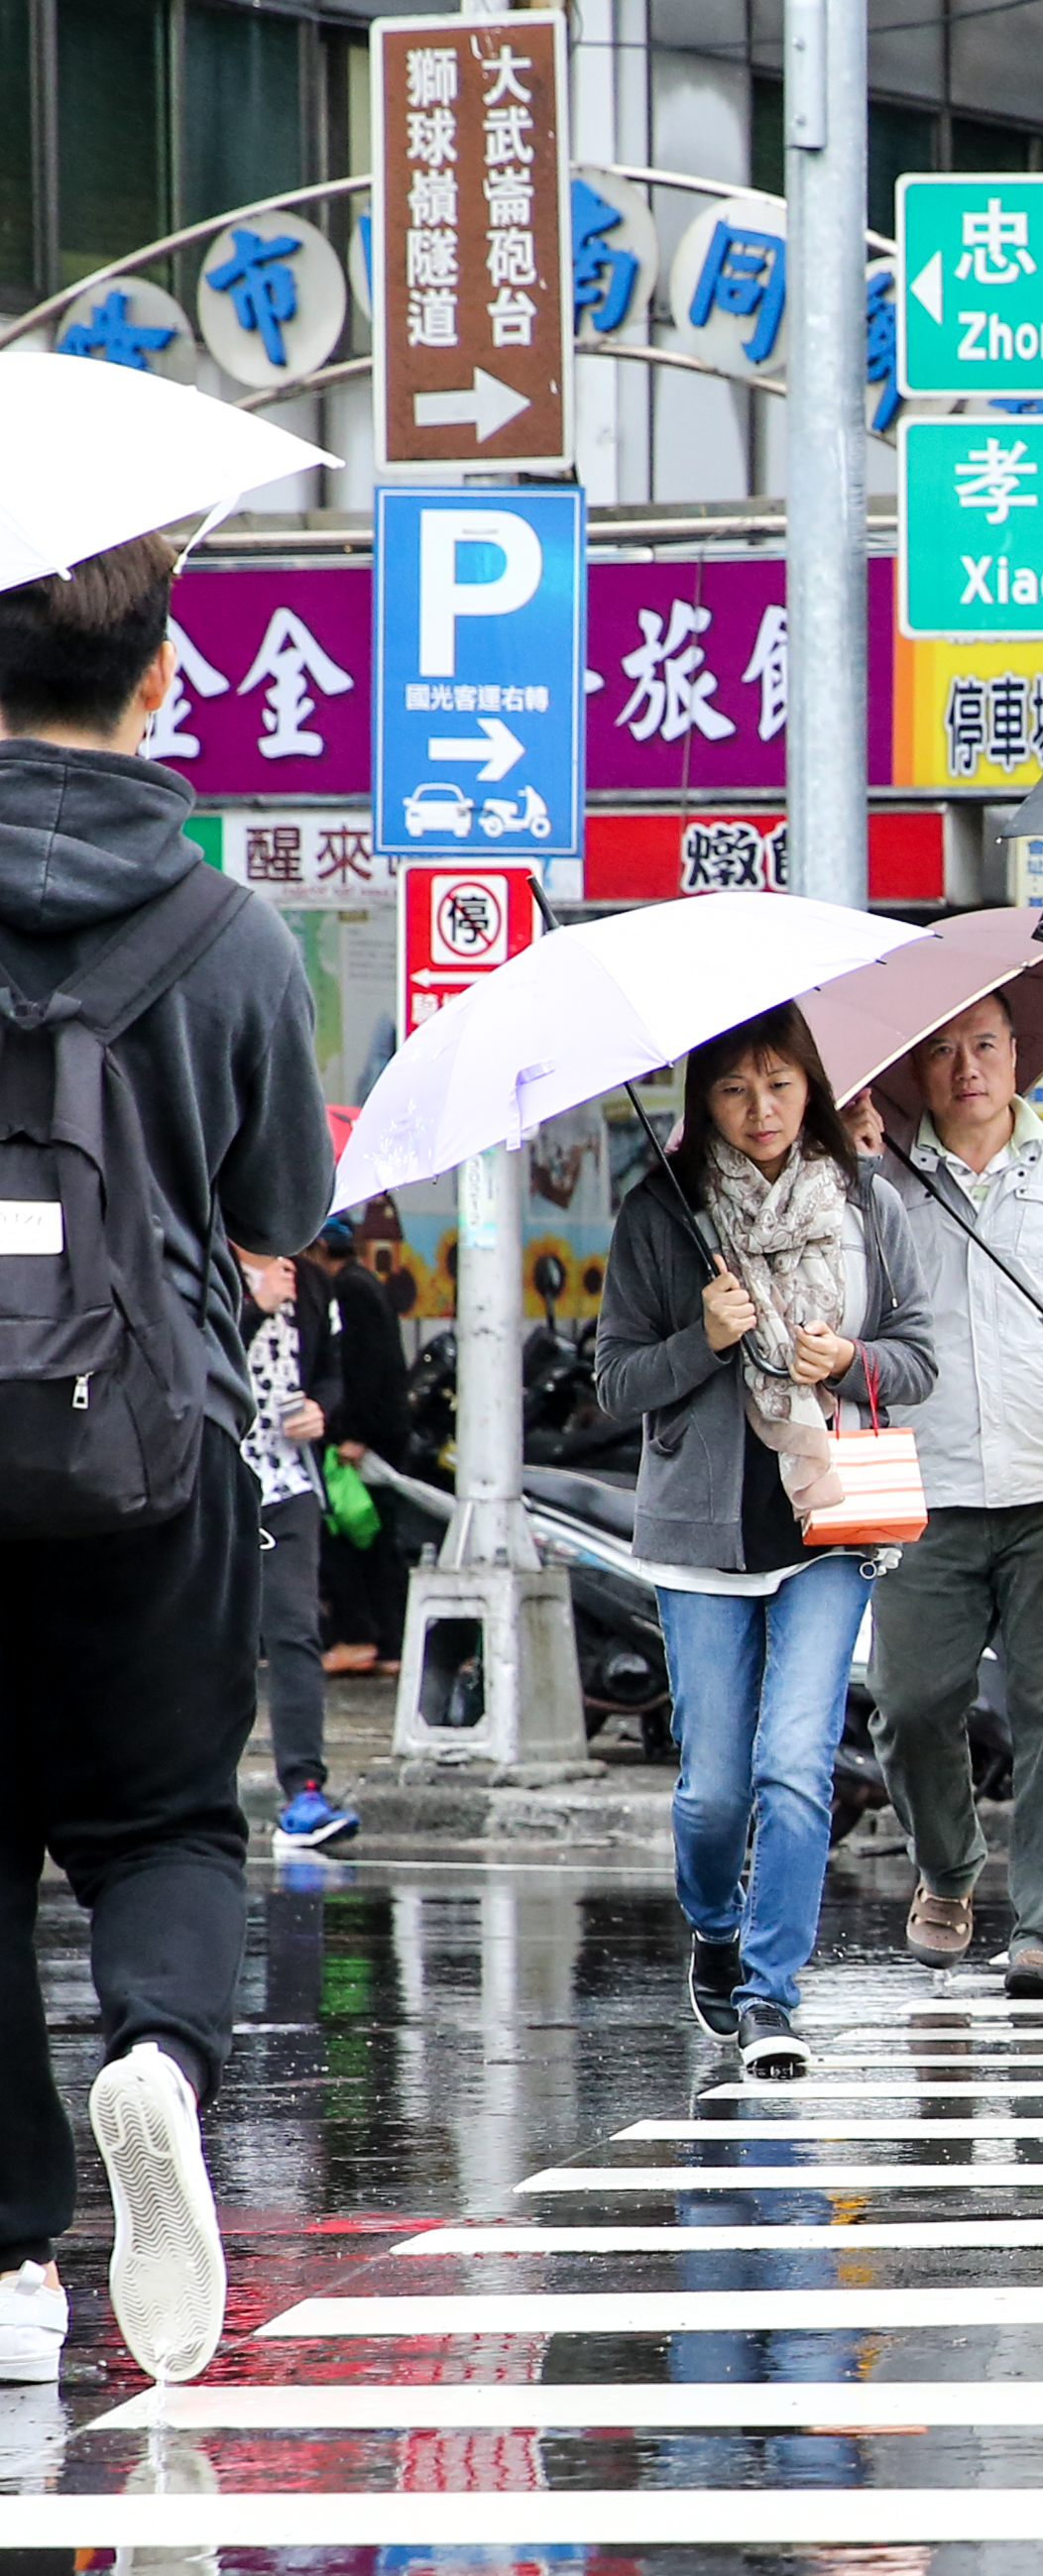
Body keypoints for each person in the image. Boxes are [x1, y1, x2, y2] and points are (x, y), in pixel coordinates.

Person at [0, 528, 335, 2387]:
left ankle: (6, 2269)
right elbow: (281, 1201)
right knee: (164, 1820)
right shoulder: (232, 934)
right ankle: (160, 2056)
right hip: (159, 1441)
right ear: (156, 686)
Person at [596, 1006, 935, 2076]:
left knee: (796, 1766)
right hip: (699, 1535)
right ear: (703, 1101)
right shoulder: (661, 1213)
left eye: (780, 1085)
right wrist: (703, 1338)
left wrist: (846, 1363)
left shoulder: (867, 1200)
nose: (761, 1110)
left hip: (827, 1519)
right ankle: (714, 1918)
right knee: (711, 1791)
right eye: (736, 1089)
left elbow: (919, 1357)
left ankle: (770, 1997)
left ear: (813, 1090)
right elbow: (615, 1381)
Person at [870, 997, 1043, 1998]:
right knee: (909, 1706)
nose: (964, 1067)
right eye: (940, 1048)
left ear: (1016, 1052)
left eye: (983, 1044)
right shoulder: (883, 1186)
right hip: (925, 1487)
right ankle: (946, 1866)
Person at [238, 1244, 358, 1853]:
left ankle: (304, 1790)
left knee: (294, 1631)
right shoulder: (195, 1262)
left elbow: (333, 1371)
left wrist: (320, 1410)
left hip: (289, 1484)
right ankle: (188, 1793)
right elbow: (176, 1359)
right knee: (205, 1641)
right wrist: (253, 1307)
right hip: (213, 1480)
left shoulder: (310, 1282)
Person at [303, 1218, 409, 1674]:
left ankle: (370, 1638)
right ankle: (382, 1642)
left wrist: (355, 1432)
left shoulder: (350, 1291)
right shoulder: (363, 1284)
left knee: (360, 1537)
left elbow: (366, 1369)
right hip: (374, 1434)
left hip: (366, 1440)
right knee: (372, 1539)